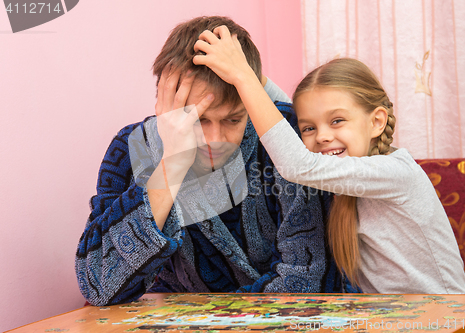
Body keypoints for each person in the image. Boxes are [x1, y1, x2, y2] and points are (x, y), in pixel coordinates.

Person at [75, 16, 345, 307]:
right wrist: (172, 163)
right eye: (198, 120)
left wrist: (211, 315)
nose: (216, 138)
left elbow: (309, 280)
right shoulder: (132, 148)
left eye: (233, 119)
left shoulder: (286, 134)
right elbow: (99, 286)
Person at [194, 25, 465, 294]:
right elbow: (285, 118)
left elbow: (296, 165)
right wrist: (250, 72)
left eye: (337, 121)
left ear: (376, 122)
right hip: (386, 318)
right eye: (309, 128)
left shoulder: (395, 173)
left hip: (441, 317)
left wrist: (244, 76)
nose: (322, 136)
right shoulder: (342, 171)